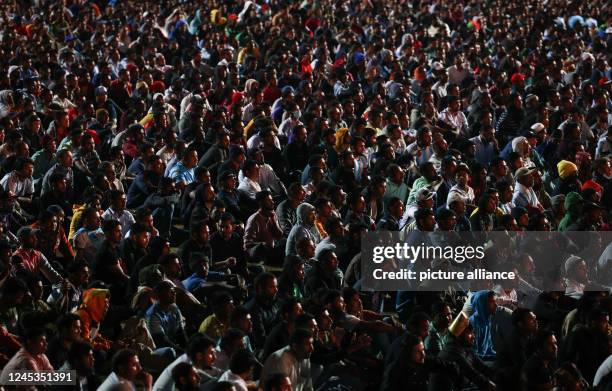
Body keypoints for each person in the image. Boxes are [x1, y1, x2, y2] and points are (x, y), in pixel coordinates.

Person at [154, 334, 223, 391]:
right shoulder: (184, 366)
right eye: (211, 353)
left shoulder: (189, 360)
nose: (215, 357)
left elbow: (208, 378)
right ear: (199, 355)